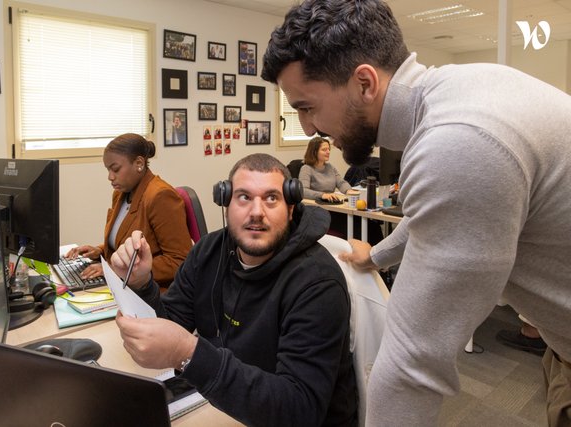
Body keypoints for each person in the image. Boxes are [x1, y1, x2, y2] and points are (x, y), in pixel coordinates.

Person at [262, 0, 571, 425]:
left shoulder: (459, 141)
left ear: (365, 83)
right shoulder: (463, 89)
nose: (309, 129)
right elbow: (437, 217)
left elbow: (412, 364)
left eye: (306, 107)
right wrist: (376, 256)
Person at [111, 153, 357, 426]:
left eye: (271, 198)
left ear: (290, 206)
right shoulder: (208, 251)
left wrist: (190, 353)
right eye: (244, 197)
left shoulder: (317, 283)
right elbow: (169, 329)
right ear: (225, 201)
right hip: (234, 408)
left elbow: (299, 411)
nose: (256, 212)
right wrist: (142, 283)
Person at [65, 133, 191, 289]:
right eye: (108, 170)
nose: (110, 177)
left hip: (153, 292)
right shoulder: (121, 193)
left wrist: (115, 271)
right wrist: (99, 250)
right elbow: (124, 242)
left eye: (115, 169)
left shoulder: (160, 196)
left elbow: (179, 260)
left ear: (139, 163)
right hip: (123, 284)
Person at [299, 136, 351, 202]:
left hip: (331, 203)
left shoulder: (330, 167)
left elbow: (341, 183)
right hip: (315, 206)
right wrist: (322, 195)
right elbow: (303, 191)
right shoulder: (306, 169)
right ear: (314, 152)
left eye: (329, 149)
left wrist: (348, 191)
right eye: (324, 150)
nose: (328, 152)